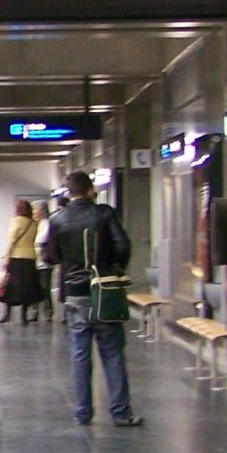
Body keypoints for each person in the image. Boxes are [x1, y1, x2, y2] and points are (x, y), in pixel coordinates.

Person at [46, 170, 142, 427]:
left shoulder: (58, 219)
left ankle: (82, 412)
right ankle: (121, 412)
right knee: (112, 353)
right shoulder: (104, 213)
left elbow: (50, 257)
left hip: (74, 294)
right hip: (103, 291)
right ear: (90, 190)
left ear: (69, 193)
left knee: (80, 355)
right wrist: (114, 268)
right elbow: (123, 245)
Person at [0, 198, 40, 324]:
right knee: (26, 287)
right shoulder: (34, 224)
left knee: (11, 287)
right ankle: (24, 316)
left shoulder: (16, 221)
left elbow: (11, 241)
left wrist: (6, 257)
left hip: (16, 257)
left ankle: (7, 314)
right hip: (30, 258)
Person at [31, 202, 55, 322]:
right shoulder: (37, 224)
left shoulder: (47, 224)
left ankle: (47, 312)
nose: (33, 212)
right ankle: (35, 312)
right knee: (35, 287)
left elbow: (40, 240)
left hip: (44, 261)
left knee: (45, 287)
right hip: (36, 260)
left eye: (35, 209)